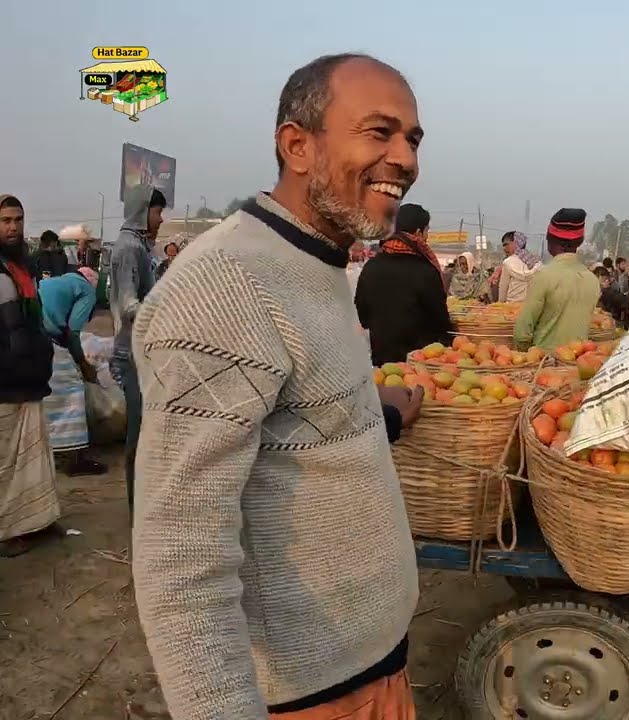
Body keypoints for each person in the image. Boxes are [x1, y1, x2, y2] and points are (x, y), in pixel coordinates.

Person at [131, 53, 425, 720]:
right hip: (311, 698)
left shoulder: (315, 263)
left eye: (412, 139)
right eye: (379, 132)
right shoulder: (226, 284)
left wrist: (382, 414)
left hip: (374, 668)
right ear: (297, 145)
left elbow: (300, 424)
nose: (404, 157)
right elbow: (182, 558)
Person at [0, 194, 61, 558]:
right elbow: (13, 333)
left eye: (18, 219)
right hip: (8, 379)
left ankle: (33, 519)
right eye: (6, 220)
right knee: (6, 459)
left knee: (31, 453)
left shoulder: (19, 266)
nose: (13, 226)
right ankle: (7, 529)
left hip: (26, 379)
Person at [108, 182, 163, 515]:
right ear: (144, 212)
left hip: (143, 351)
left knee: (147, 430)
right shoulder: (129, 248)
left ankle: (142, 502)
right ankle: (137, 508)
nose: (161, 218)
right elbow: (129, 306)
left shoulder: (142, 246)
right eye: (158, 211)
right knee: (139, 432)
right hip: (132, 353)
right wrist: (167, 311)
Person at [356, 202, 453, 365]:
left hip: (383, 364)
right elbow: (440, 322)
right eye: (427, 231)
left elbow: (363, 316)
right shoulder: (425, 270)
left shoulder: (372, 266)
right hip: (419, 367)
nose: (427, 236)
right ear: (418, 232)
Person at [38, 266, 106, 476]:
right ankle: (74, 459)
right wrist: (83, 365)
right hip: (50, 338)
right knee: (73, 389)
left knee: (46, 394)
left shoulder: (53, 281)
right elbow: (74, 332)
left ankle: (48, 449)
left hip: (31, 338)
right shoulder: (86, 290)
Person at [514, 208, 600, 351]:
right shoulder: (592, 279)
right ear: (578, 242)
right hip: (578, 362)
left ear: (550, 241)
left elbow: (522, 332)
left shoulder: (543, 276)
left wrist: (525, 354)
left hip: (546, 362)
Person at [496, 231, 542, 303]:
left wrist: (500, 304)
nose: (504, 248)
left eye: (506, 244)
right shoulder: (535, 262)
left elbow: (503, 287)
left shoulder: (507, 262)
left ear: (516, 243)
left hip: (511, 307)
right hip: (530, 306)